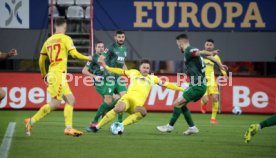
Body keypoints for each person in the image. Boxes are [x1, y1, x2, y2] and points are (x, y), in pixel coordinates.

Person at [24, 18, 91, 137]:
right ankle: (31, 121)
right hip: (58, 75)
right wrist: (88, 58)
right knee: (55, 104)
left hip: (54, 74)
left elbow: (41, 61)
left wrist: (43, 75)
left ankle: (68, 128)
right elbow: (74, 55)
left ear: (55, 26)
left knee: (71, 100)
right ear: (65, 26)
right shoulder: (66, 38)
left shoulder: (48, 41)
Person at [89, 58, 184, 133]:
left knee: (143, 112)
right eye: (144, 67)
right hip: (127, 99)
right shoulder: (133, 72)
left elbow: (167, 84)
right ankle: (97, 127)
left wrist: (181, 89)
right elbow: (120, 71)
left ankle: (121, 125)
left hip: (136, 105)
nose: (146, 69)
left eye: (147, 68)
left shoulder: (153, 78)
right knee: (118, 108)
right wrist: (106, 66)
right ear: (140, 68)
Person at [157, 34, 227, 135]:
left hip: (197, 85)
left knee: (177, 103)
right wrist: (220, 64)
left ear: (181, 43)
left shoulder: (189, 50)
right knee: (181, 104)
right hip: (197, 84)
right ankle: (192, 127)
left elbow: (200, 52)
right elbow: (209, 57)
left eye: (178, 44)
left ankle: (169, 127)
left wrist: (211, 52)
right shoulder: (193, 52)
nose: (178, 47)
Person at [85, 31, 128, 131]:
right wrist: (108, 69)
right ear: (115, 38)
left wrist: (127, 73)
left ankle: (119, 123)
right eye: (119, 37)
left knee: (124, 99)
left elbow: (122, 62)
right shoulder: (110, 47)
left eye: (122, 37)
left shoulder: (125, 48)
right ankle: (95, 120)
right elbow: (100, 60)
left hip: (119, 78)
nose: (121, 39)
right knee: (108, 101)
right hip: (109, 78)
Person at [82, 41, 121, 131]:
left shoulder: (106, 57)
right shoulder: (92, 58)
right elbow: (84, 70)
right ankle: (95, 121)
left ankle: (104, 114)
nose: (101, 48)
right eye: (99, 47)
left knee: (118, 99)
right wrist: (95, 76)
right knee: (109, 100)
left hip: (110, 81)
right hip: (101, 82)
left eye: (102, 47)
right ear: (95, 48)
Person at [200, 39, 227, 124]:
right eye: (207, 44)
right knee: (206, 100)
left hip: (212, 80)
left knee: (215, 98)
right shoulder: (200, 54)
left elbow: (220, 66)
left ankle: (213, 119)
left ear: (213, 46)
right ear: (204, 46)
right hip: (202, 80)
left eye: (210, 45)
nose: (208, 46)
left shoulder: (216, 57)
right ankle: (203, 104)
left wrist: (225, 74)